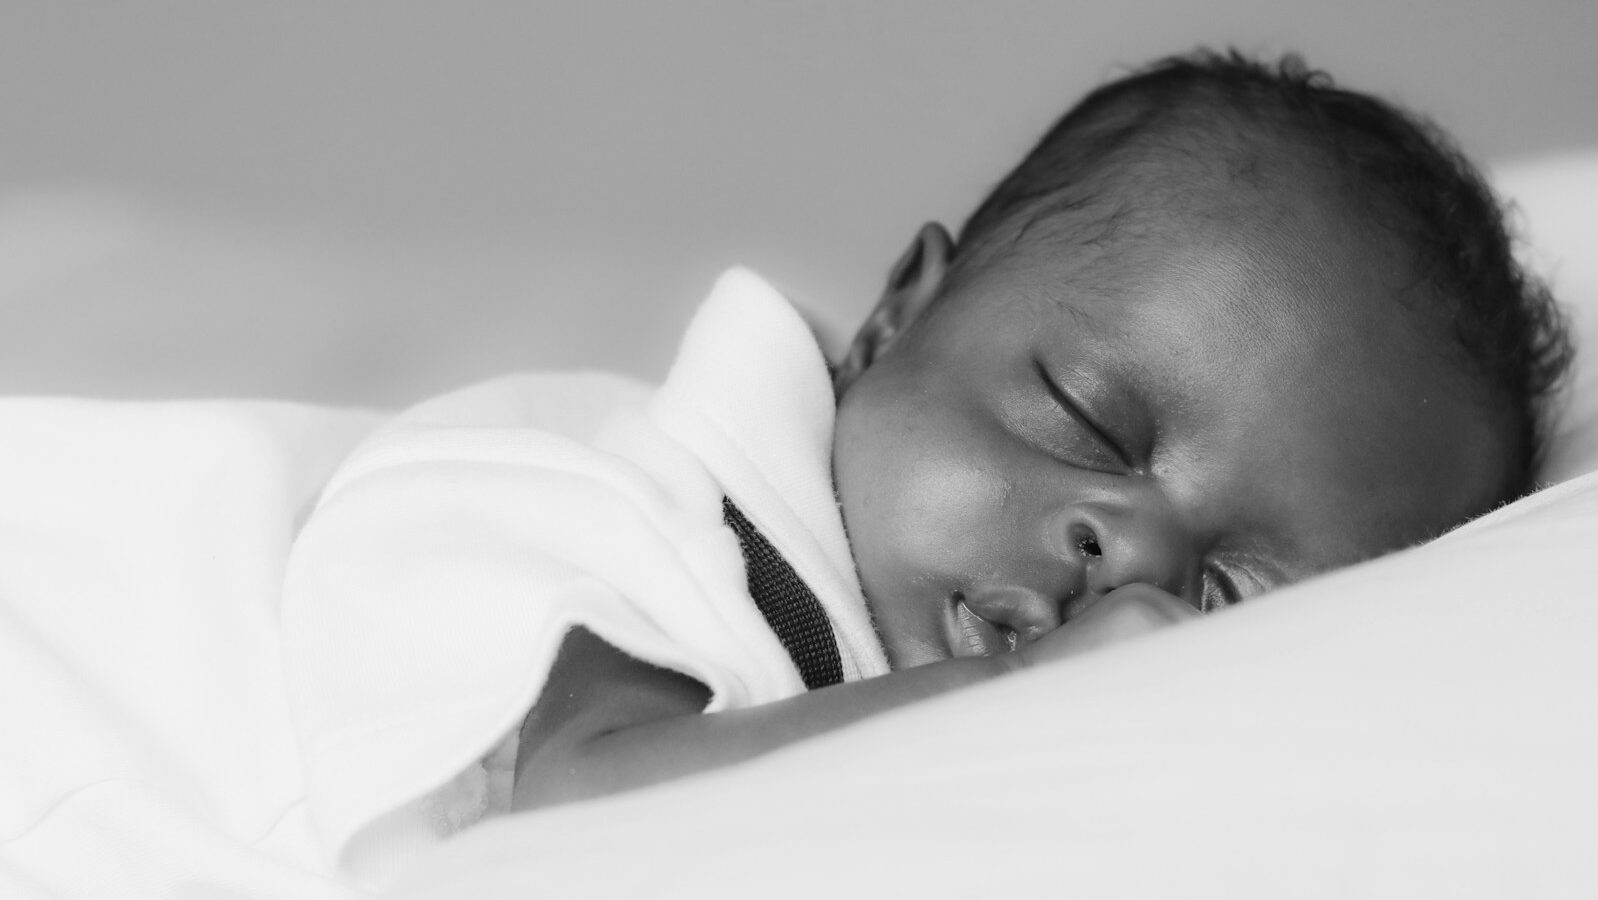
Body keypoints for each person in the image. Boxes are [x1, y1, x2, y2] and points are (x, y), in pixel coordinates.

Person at [275, 48, 1568, 879]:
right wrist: (1035, 690)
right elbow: (588, 818)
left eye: (1226, 592)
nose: (1131, 562)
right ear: (899, 313)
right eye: (1086, 424)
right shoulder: (610, 498)